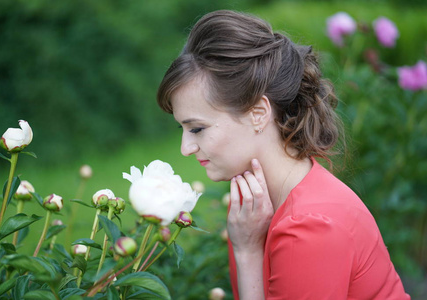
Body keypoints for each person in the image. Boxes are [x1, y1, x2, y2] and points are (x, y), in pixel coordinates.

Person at [157, 10, 410, 300]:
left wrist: (248, 253)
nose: (185, 147)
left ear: (259, 114)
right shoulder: (256, 206)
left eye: (197, 129)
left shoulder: (310, 227)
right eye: (183, 128)